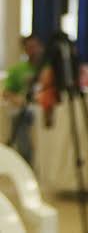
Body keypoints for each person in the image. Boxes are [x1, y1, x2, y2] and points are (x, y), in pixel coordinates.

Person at [3, 34, 44, 163]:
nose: (33, 50)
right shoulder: (17, 69)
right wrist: (18, 100)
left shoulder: (48, 68)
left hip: (44, 107)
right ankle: (26, 159)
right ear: (24, 50)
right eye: (29, 47)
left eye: (35, 47)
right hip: (24, 108)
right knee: (21, 115)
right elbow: (6, 92)